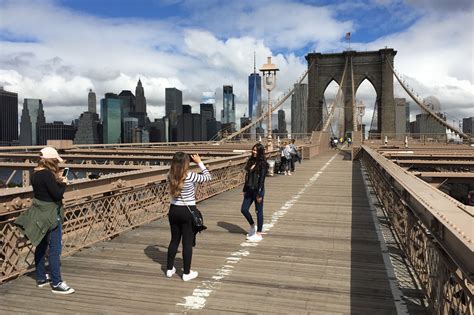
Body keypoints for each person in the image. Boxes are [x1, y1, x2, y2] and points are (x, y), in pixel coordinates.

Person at [15, 147, 75, 294]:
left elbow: (43, 192)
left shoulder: (34, 173)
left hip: (39, 214)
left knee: (41, 245)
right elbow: (56, 195)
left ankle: (41, 278)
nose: (57, 163)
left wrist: (57, 180)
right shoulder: (48, 175)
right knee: (55, 249)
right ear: (50, 160)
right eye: (55, 160)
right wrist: (63, 183)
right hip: (51, 216)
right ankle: (57, 283)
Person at [166, 152, 211, 281]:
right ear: (186, 163)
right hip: (187, 211)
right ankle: (186, 273)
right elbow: (208, 177)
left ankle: (169, 269)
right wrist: (199, 162)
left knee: (174, 240)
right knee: (186, 242)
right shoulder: (191, 176)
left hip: (174, 210)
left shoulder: (169, 176)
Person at [241, 143, 269, 242]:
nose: (254, 152)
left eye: (256, 150)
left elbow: (262, 180)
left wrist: (259, 194)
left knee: (258, 211)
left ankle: (259, 233)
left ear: (260, 152)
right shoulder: (251, 161)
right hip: (249, 189)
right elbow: (247, 177)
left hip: (258, 190)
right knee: (244, 209)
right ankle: (253, 226)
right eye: (253, 150)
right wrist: (244, 189)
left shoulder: (263, 164)